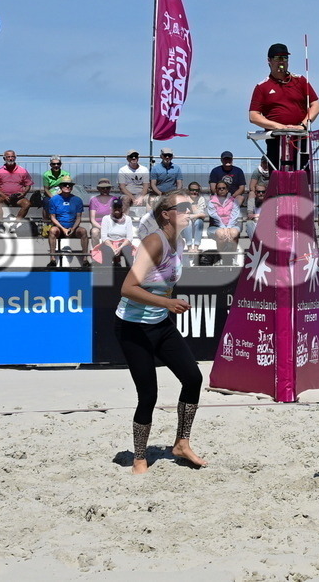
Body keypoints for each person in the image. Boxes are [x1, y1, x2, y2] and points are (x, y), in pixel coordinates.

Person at [114, 189, 206, 474]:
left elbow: (164, 280)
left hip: (159, 323)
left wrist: (165, 305)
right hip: (133, 327)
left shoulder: (177, 241)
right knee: (148, 395)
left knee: (192, 378)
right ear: (166, 214)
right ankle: (139, 457)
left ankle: (181, 443)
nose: (190, 212)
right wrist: (167, 302)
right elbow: (127, 288)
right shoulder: (154, 242)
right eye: (184, 208)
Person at [248, 43, 319, 170]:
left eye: (285, 58)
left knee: (302, 175)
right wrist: (279, 127)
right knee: (277, 176)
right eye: (277, 58)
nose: (281, 62)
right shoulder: (262, 87)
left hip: (300, 137)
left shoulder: (300, 81)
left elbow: (316, 105)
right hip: (276, 139)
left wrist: (302, 125)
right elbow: (254, 116)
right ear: (269, 61)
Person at [46, 176, 89, 268]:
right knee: (52, 230)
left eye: (69, 185)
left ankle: (85, 259)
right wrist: (63, 229)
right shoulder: (54, 199)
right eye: (65, 185)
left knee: (83, 231)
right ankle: (52, 259)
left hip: (73, 228)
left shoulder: (77, 200)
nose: (67, 186)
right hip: (59, 228)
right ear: (61, 187)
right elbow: (52, 217)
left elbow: (78, 218)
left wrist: (72, 229)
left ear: (72, 187)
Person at [0, 150, 33, 233]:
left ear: (15, 158)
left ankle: (15, 225)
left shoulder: (22, 170)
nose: (10, 158)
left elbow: (28, 184)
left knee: (27, 204)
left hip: (18, 198)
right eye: (8, 156)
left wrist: (24, 193)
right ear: (4, 158)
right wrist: (4, 196)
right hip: (3, 197)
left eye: (12, 156)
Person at [207, 181, 241, 262]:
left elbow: (234, 216)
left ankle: (232, 257)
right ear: (216, 190)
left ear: (227, 190)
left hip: (232, 225)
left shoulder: (234, 201)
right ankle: (221, 257)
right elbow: (215, 217)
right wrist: (224, 228)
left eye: (223, 188)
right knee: (221, 233)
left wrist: (228, 227)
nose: (221, 190)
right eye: (219, 188)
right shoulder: (211, 202)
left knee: (234, 233)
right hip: (215, 227)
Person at [98, 198, 134, 266]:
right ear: (111, 208)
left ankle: (129, 272)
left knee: (128, 249)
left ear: (122, 208)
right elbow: (104, 237)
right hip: (109, 243)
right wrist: (113, 248)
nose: (117, 209)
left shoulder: (128, 219)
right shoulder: (106, 218)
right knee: (107, 250)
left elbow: (129, 238)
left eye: (119, 207)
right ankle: (107, 274)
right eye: (115, 207)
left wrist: (120, 248)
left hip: (123, 244)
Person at [40, 156, 70, 224]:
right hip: (50, 194)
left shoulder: (66, 174)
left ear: (60, 164)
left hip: (63, 192)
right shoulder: (46, 175)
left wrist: (61, 193)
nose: (56, 165)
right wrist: (53, 197)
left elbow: (67, 186)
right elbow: (46, 189)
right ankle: (46, 222)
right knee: (46, 202)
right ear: (50, 165)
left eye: (58, 164)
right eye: (54, 164)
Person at [88, 178, 118, 245]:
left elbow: (117, 215)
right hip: (98, 225)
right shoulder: (94, 200)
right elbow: (92, 219)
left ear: (110, 188)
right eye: (102, 188)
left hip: (111, 225)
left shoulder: (114, 199)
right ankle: (96, 251)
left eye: (107, 188)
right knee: (94, 232)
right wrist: (102, 228)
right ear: (98, 189)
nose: (105, 190)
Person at [182, 182, 209, 253]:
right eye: (192, 190)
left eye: (197, 190)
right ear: (188, 190)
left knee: (199, 221)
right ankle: (189, 247)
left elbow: (203, 215)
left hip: (197, 222)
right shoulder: (184, 199)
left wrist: (191, 212)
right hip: (186, 224)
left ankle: (196, 247)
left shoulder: (201, 199)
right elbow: (184, 215)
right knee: (188, 222)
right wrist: (197, 212)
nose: (194, 192)